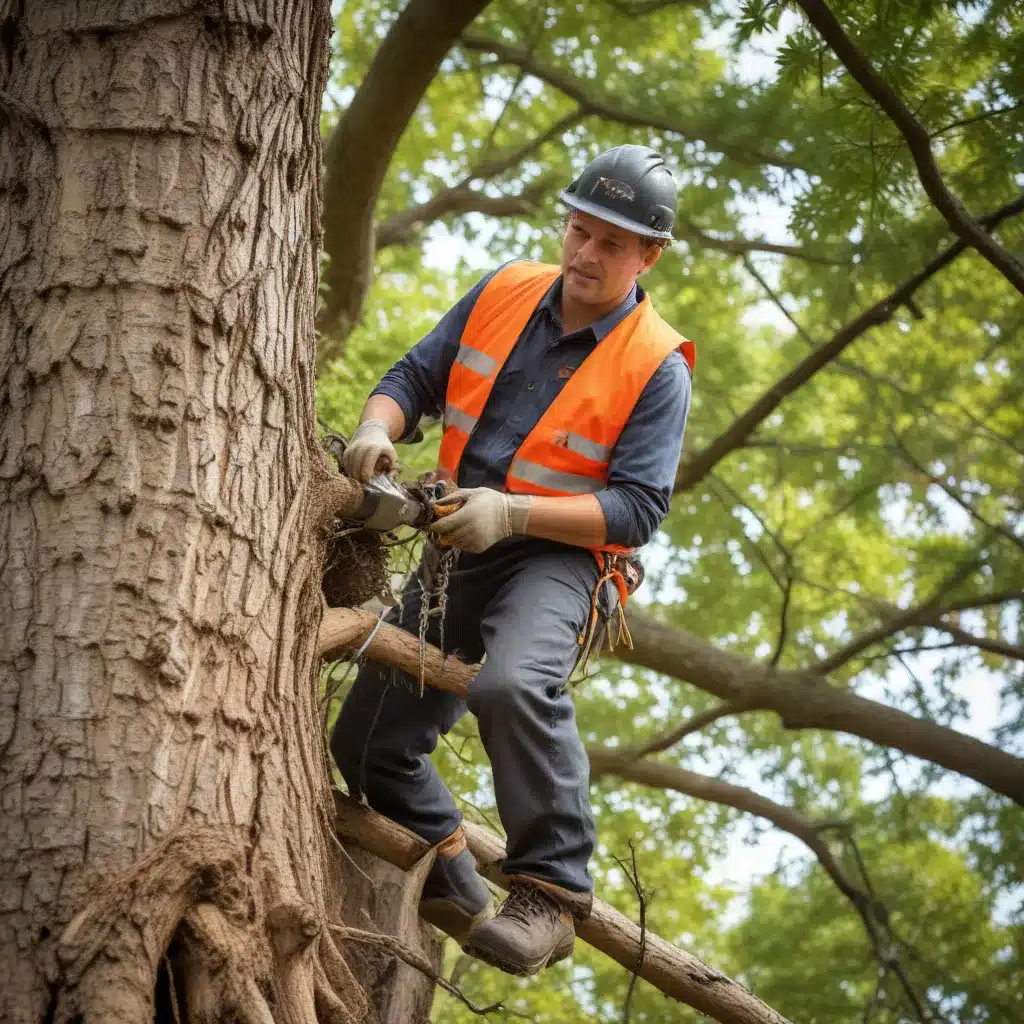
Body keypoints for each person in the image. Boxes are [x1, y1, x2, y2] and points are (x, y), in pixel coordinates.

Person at [332, 145, 694, 977]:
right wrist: (377, 429)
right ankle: (454, 878)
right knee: (370, 744)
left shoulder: (658, 365)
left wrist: (515, 512)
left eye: (611, 243)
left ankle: (552, 897)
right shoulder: (503, 289)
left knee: (511, 683)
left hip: (563, 561)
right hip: (461, 537)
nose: (586, 255)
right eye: (579, 231)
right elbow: (415, 374)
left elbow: (638, 511)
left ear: (650, 256)